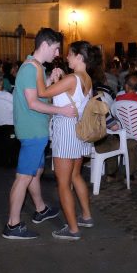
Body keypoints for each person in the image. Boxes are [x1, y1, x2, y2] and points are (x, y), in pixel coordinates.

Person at [3, 29, 72, 240]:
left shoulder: (37, 68)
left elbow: (39, 96)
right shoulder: (30, 69)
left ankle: (40, 209)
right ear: (44, 45)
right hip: (32, 131)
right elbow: (33, 104)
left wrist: (50, 79)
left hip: (36, 130)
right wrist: (62, 111)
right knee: (23, 177)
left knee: (36, 171)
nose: (58, 52)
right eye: (56, 48)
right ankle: (12, 225)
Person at [30, 40, 100, 240]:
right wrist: (57, 80)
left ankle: (72, 229)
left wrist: (38, 70)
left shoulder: (72, 79)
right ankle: (86, 216)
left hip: (67, 131)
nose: (66, 57)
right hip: (79, 130)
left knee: (63, 183)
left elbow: (42, 93)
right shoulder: (86, 79)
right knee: (76, 176)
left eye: (70, 54)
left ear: (79, 57)